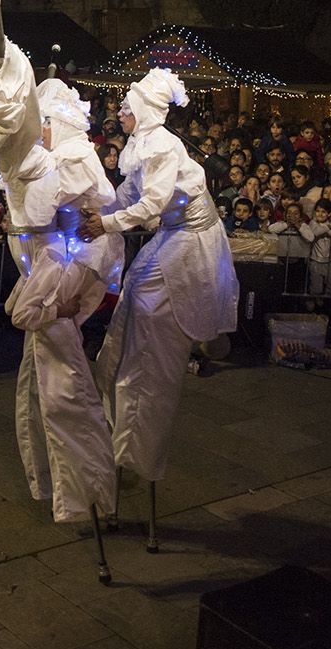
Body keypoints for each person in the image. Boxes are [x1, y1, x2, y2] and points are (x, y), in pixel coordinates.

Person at [0, 47, 125, 527]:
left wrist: (56, 297)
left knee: (66, 397)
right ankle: (65, 487)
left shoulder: (73, 156)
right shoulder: (52, 157)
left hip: (65, 273)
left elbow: (52, 212)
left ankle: (86, 492)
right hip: (57, 276)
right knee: (48, 393)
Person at [79, 68, 239, 496]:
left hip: (188, 240)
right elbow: (129, 193)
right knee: (135, 304)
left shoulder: (163, 146)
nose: (120, 114)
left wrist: (106, 224)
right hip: (171, 235)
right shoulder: (141, 145)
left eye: (127, 108)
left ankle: (135, 450)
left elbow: (152, 201)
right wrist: (87, 200)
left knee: (149, 337)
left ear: (144, 112)